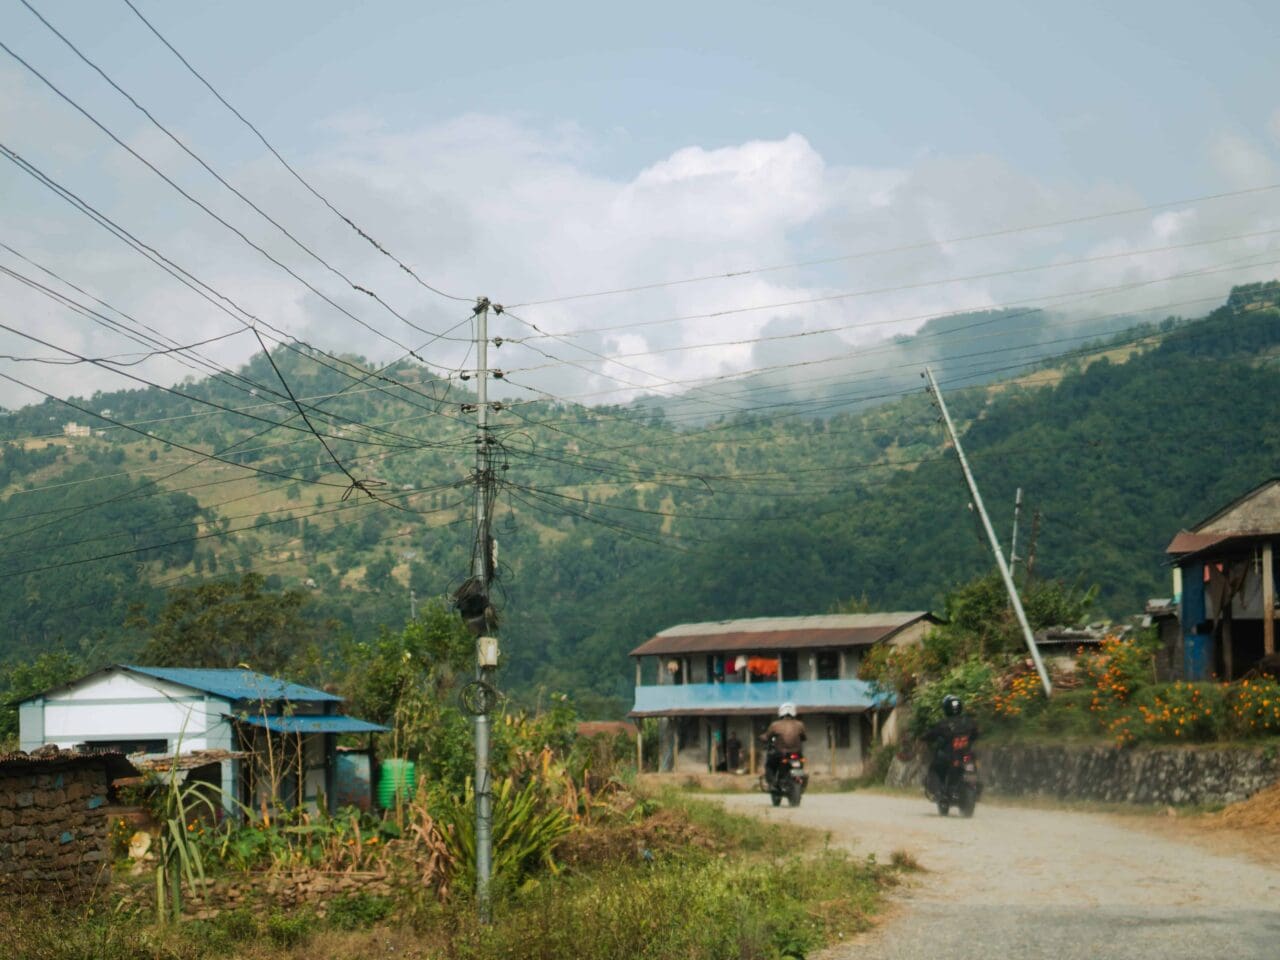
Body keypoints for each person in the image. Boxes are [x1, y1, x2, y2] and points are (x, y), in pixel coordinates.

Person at [923, 694, 979, 800]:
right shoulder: (969, 722)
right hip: (967, 755)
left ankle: (938, 792)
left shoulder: (943, 724)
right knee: (973, 765)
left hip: (949, 756)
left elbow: (931, 735)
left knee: (934, 768)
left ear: (946, 708)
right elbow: (975, 735)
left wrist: (924, 737)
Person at [761, 703, 806, 787]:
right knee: (801, 762)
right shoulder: (800, 724)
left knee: (769, 765)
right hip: (797, 753)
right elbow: (804, 737)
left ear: (781, 712)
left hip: (781, 753)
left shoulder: (775, 725)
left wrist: (762, 738)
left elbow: (767, 737)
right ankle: (799, 779)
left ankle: (772, 783)